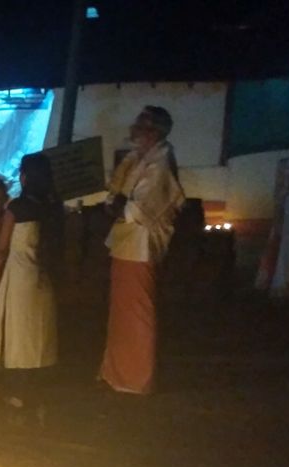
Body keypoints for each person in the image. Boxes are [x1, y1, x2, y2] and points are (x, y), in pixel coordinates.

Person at [99, 106, 185, 395]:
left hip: (140, 245)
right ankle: (118, 372)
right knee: (122, 312)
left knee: (136, 312)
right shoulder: (139, 158)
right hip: (127, 242)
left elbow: (142, 206)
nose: (134, 128)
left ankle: (135, 378)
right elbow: (117, 196)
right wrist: (115, 204)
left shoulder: (160, 163)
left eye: (141, 123)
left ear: (154, 131)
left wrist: (118, 206)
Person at [0, 153, 62, 414]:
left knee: (17, 334)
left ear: (25, 176)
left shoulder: (17, 208)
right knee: (37, 331)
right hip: (43, 274)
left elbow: (2, 247)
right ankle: (38, 390)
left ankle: (18, 393)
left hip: (19, 276)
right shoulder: (52, 205)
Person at [256, 132, 289, 299]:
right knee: (288, 243)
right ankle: (283, 285)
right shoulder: (286, 164)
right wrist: (279, 213)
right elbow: (280, 191)